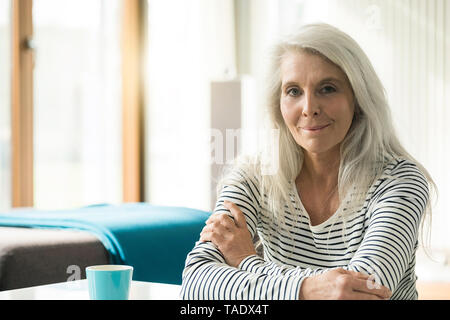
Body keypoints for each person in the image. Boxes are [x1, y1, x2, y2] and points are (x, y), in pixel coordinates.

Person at [180, 23, 435, 300]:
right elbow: (195, 282)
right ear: (278, 103)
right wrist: (308, 290)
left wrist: (246, 261)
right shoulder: (252, 176)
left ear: (357, 98)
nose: (309, 108)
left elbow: (364, 295)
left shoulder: (400, 181)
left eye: (327, 88)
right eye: (293, 91)